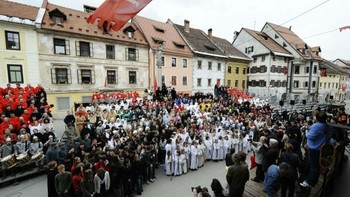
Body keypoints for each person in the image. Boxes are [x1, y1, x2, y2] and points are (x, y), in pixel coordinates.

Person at [300, 111, 327, 188]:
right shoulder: (322, 124)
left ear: (317, 118)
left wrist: (307, 132)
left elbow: (310, 136)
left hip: (314, 148)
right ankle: (313, 181)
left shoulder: (317, 126)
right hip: (318, 147)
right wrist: (309, 127)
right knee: (315, 166)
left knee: (314, 166)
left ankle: (310, 182)